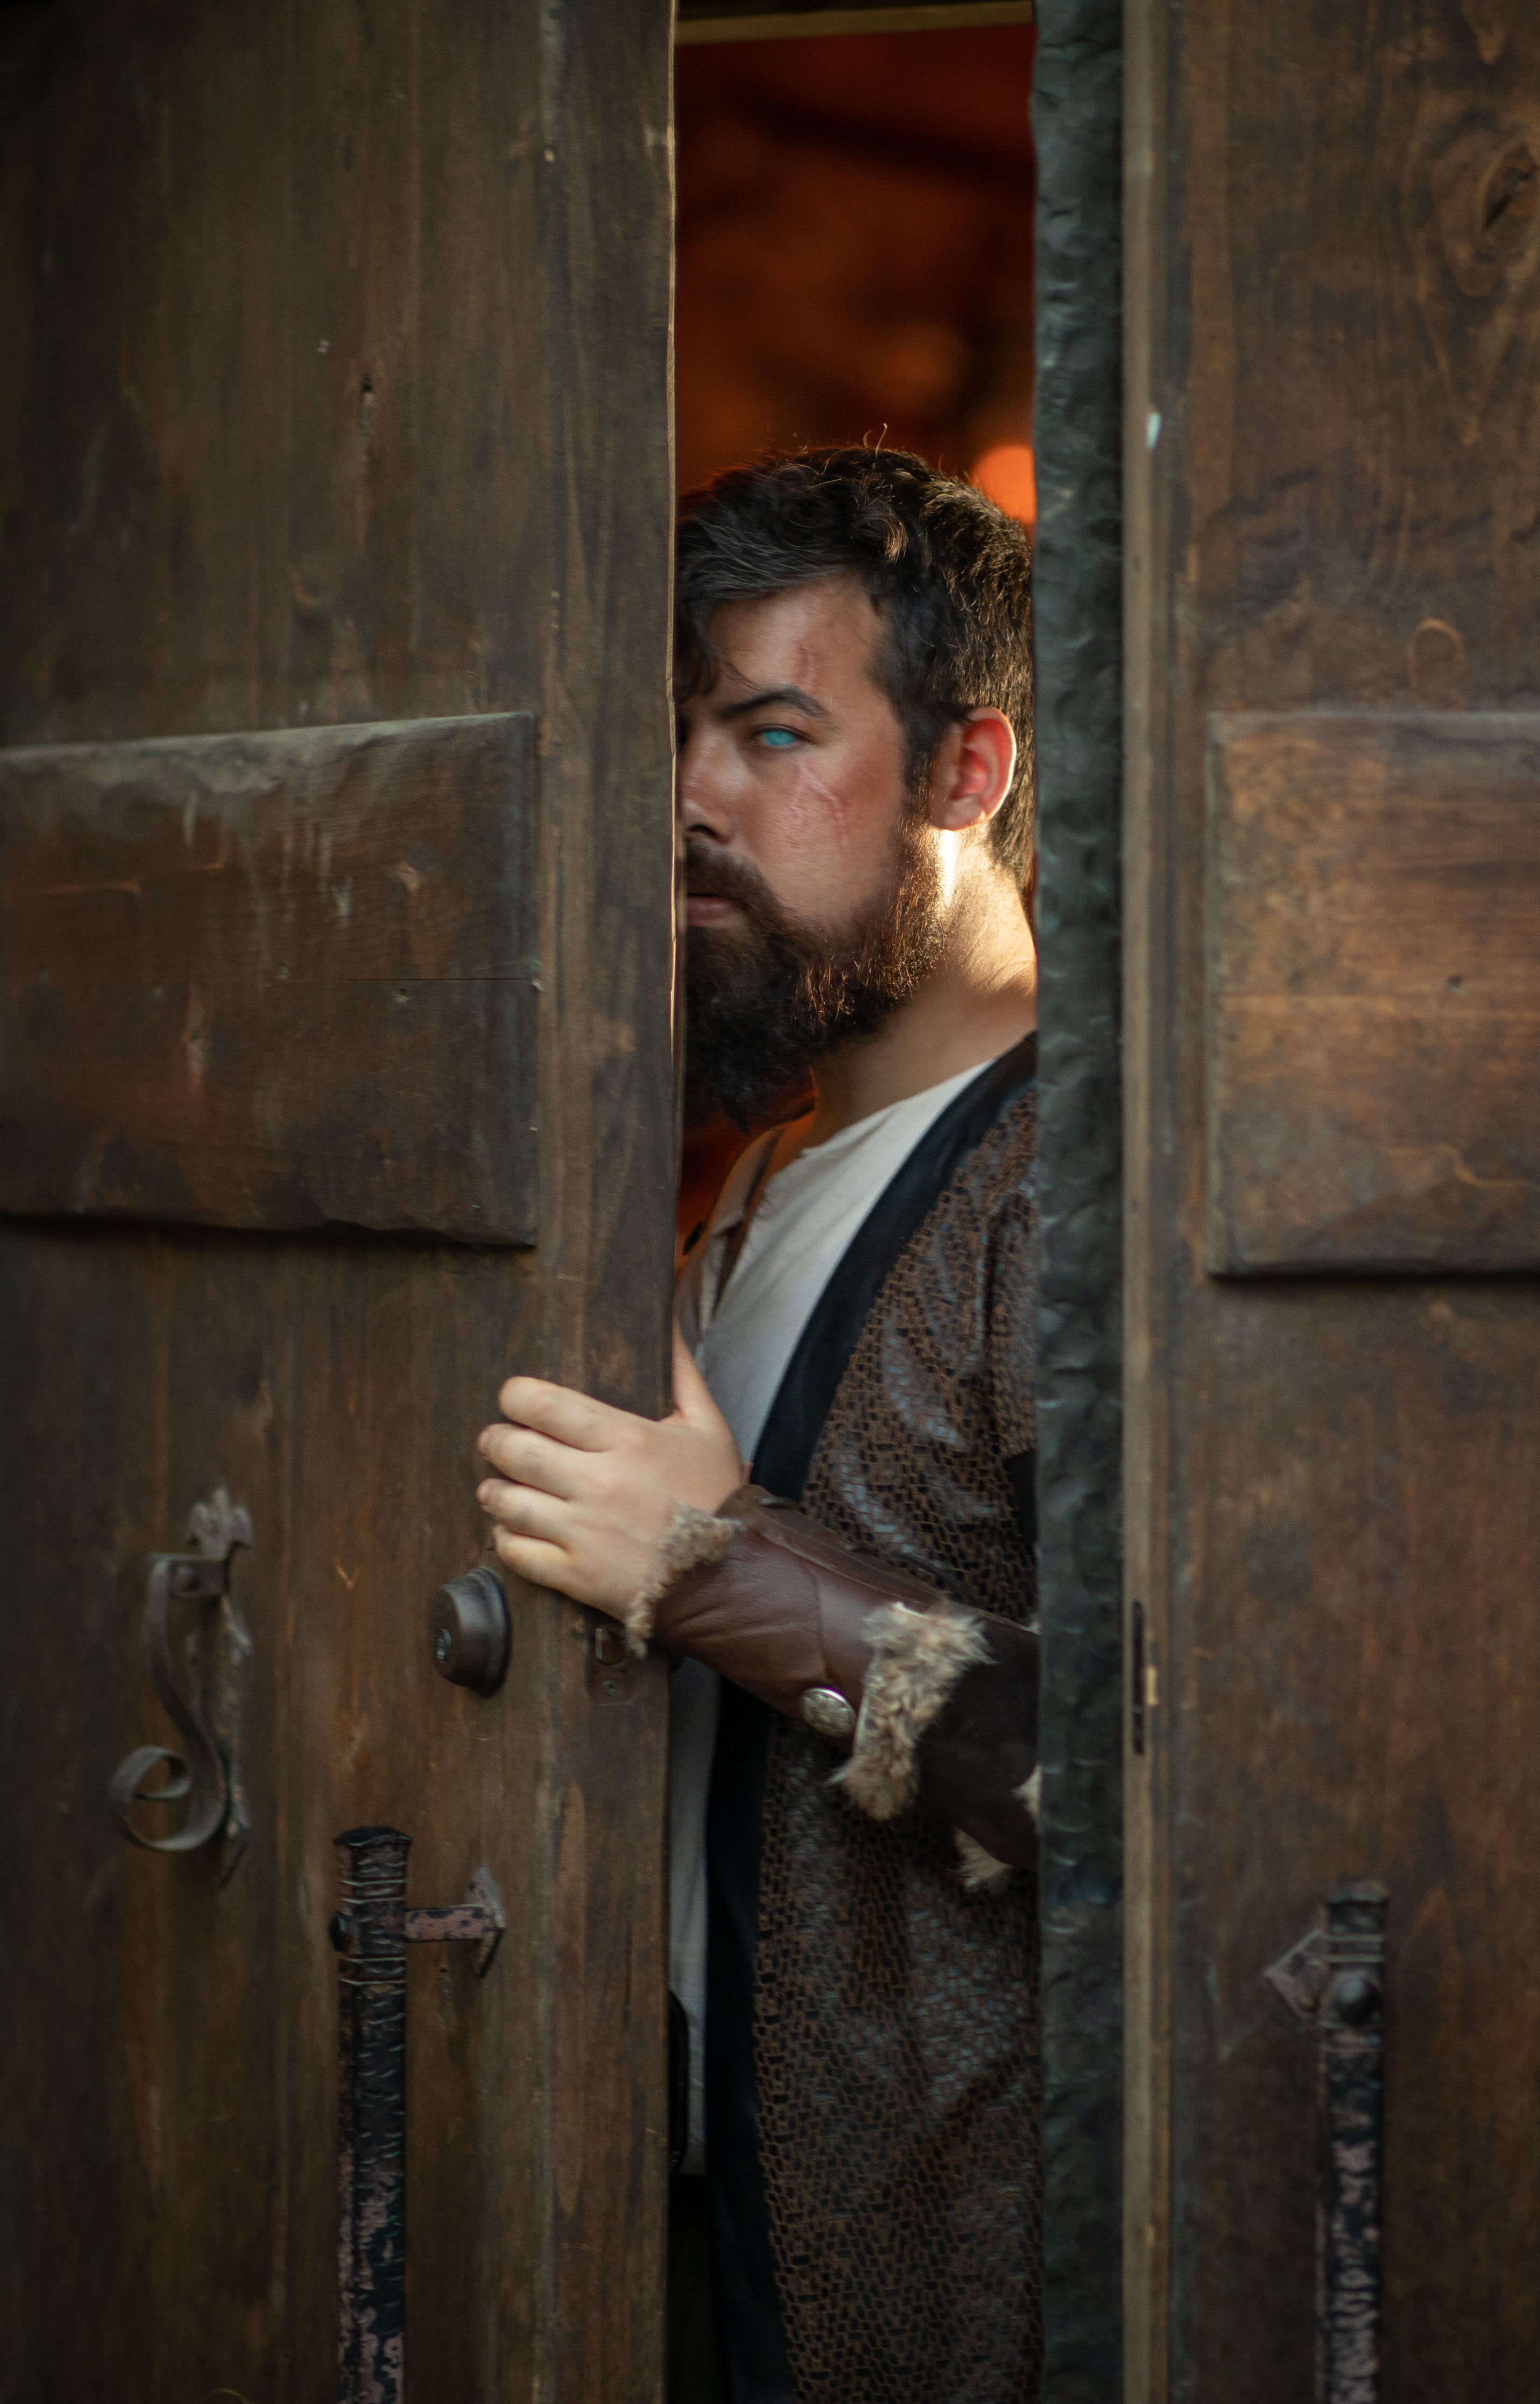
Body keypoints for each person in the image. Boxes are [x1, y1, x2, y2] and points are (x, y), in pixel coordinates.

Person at [472, 446, 1043, 2404]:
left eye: (776, 733)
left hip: (939, 2291)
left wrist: (720, 1568)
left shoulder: (1083, 1191)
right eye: (685, 737)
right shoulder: (759, 1170)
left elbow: (1179, 1789)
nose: (695, 799)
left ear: (971, 776)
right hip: (697, 2238)